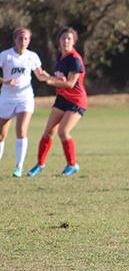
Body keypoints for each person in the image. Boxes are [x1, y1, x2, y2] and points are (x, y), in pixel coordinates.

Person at [27, 27, 88, 178]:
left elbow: (70, 84)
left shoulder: (75, 59)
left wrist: (50, 81)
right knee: (48, 132)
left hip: (76, 101)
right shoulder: (60, 58)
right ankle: (39, 165)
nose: (66, 41)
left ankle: (72, 165)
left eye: (69, 39)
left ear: (74, 42)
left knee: (63, 132)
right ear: (59, 41)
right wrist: (46, 76)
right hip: (62, 99)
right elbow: (59, 80)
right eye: (63, 38)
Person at [0, 28, 51, 177]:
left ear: (29, 40)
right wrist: (6, 81)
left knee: (21, 130)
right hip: (6, 98)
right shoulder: (5, 55)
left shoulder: (32, 56)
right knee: (1, 135)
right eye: (20, 39)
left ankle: (18, 167)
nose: (23, 42)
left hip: (25, 97)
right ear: (14, 39)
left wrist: (52, 78)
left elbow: (40, 75)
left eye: (26, 39)